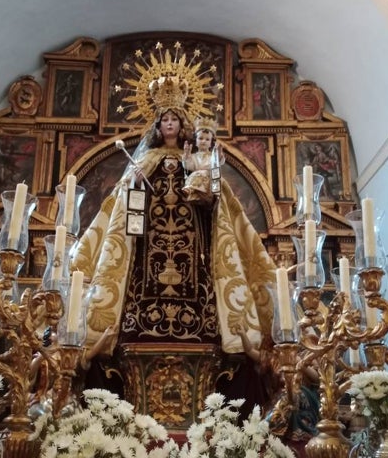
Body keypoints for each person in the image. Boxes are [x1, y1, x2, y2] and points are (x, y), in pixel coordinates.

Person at [72, 72, 279, 415]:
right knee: (141, 275)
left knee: (196, 272)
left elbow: (219, 210)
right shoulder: (147, 160)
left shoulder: (194, 160)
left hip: (192, 247)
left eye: (174, 119)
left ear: (182, 124)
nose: (169, 125)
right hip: (147, 251)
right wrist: (135, 183)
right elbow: (125, 210)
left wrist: (205, 193)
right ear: (158, 125)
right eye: (164, 120)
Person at [181, 117, 225, 205]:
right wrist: (186, 155)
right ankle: (192, 191)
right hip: (196, 178)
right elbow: (189, 166)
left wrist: (219, 155)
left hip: (209, 181)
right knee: (196, 174)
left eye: (207, 139)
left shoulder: (212, 156)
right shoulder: (193, 156)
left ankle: (190, 189)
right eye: (200, 138)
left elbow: (218, 163)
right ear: (195, 141)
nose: (203, 141)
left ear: (211, 142)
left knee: (201, 174)